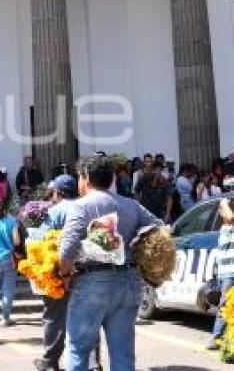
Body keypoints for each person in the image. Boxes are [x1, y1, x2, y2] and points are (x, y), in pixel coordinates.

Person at [59, 155, 161, 371]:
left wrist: (65, 274)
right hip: (128, 282)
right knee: (123, 353)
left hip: (93, 282)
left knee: (78, 348)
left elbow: (67, 248)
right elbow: (159, 228)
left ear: (86, 178)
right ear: (112, 178)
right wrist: (134, 244)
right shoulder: (131, 205)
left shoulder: (81, 206)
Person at [34, 174, 101, 371]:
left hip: (58, 272)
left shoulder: (55, 212)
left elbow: (40, 239)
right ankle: (93, 364)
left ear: (59, 192)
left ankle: (49, 362)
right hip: (88, 273)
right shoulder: (88, 209)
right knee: (90, 318)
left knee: (55, 318)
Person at [208, 193, 234, 349]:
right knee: (225, 306)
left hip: (228, 274)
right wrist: (224, 202)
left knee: (227, 307)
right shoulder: (226, 229)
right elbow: (230, 217)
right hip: (229, 274)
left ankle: (221, 338)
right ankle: (215, 338)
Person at [0, 198, 20, 326]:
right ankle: (5, 317)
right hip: (8, 258)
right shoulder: (12, 221)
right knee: (8, 288)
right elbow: (17, 241)